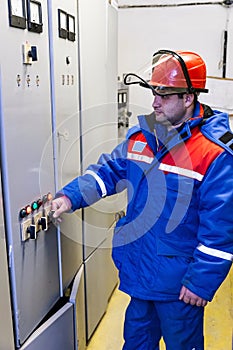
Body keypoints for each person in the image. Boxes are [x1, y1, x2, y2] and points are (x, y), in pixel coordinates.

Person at [51, 49, 233, 350]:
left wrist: (200, 282)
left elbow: (221, 227)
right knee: (135, 343)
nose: (154, 102)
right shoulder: (142, 137)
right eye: (153, 92)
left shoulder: (213, 154)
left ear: (188, 98)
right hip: (140, 276)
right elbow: (108, 172)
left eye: (163, 94)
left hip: (180, 288)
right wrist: (70, 197)